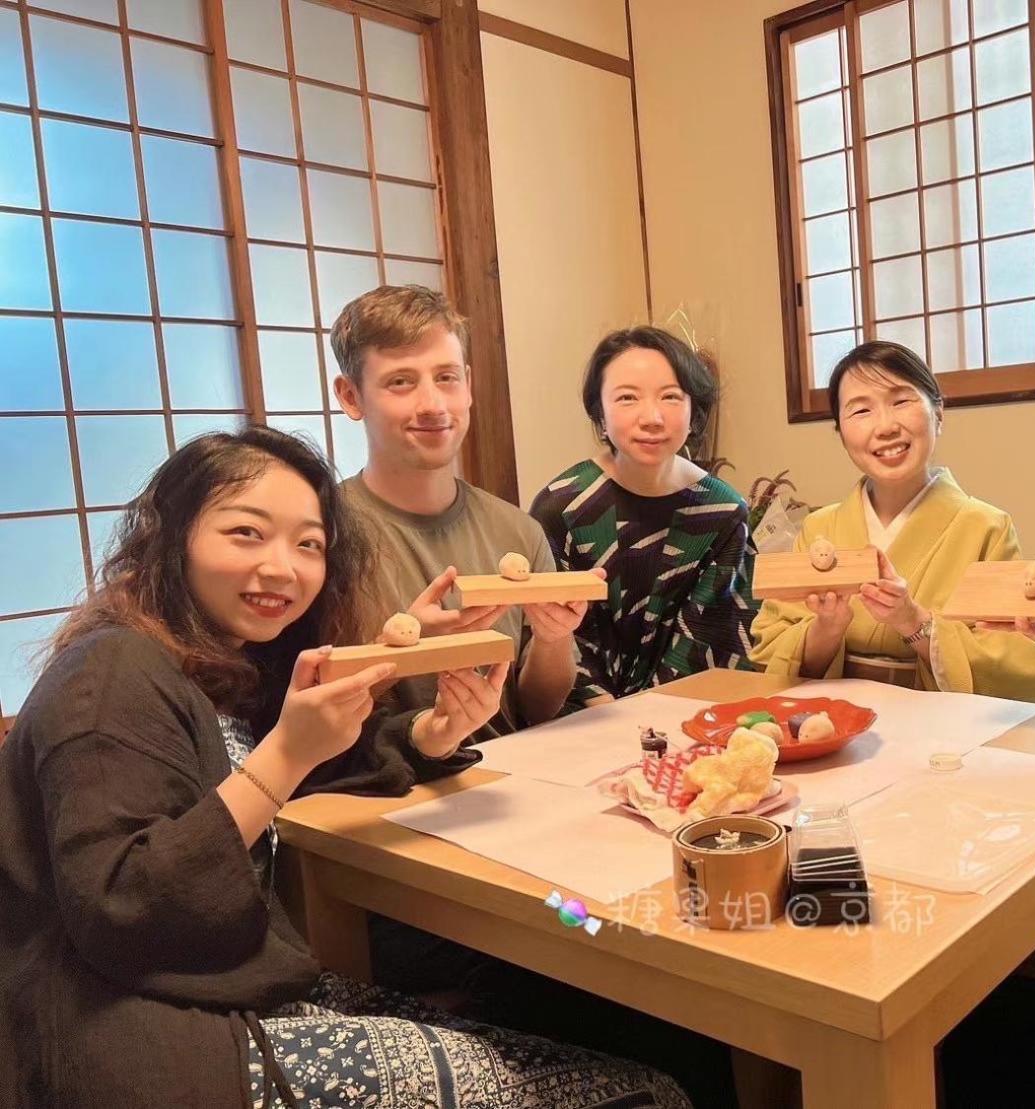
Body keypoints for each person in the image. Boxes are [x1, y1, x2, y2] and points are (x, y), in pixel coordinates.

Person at [0, 427, 690, 1109]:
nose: (282, 567)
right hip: (139, 1040)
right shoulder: (109, 674)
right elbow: (123, 901)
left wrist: (434, 726)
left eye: (308, 544)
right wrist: (288, 751)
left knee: (575, 1019)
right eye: (245, 533)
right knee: (640, 1088)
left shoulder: (217, 664)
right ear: (172, 536)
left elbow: (297, 776)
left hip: (233, 987)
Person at [331, 284, 592, 737]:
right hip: (380, 791)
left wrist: (553, 638)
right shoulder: (321, 536)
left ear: (468, 385)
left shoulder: (518, 531)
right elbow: (305, 715)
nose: (432, 405)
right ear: (351, 396)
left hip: (509, 781)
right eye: (401, 381)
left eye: (447, 378)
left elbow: (536, 709)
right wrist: (406, 652)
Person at [749, 341, 1035, 699]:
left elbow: (1018, 662)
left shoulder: (985, 526)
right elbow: (770, 648)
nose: (885, 427)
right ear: (840, 430)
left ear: (938, 413)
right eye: (860, 411)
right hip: (833, 723)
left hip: (940, 733)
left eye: (901, 401)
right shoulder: (819, 529)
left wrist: (911, 620)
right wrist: (828, 627)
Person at [529, 327, 756, 709]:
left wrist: (655, 727)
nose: (651, 417)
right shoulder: (563, 507)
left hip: (689, 718)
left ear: (693, 412)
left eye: (670, 397)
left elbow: (719, 640)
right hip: (581, 730)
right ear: (599, 413)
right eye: (627, 398)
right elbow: (555, 649)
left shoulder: (722, 512)